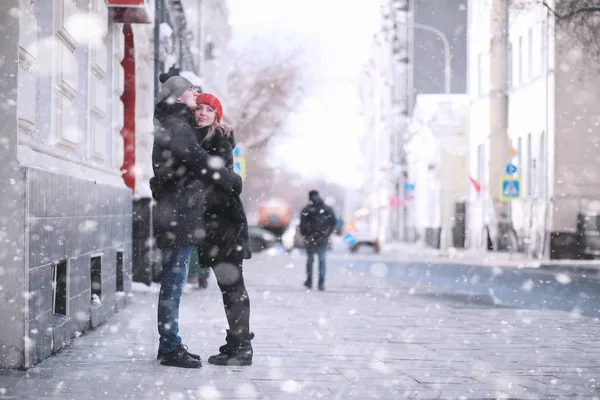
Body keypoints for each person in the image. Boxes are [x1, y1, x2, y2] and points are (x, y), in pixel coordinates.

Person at [151, 74, 243, 368]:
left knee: (174, 282)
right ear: (179, 95)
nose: (195, 95)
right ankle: (169, 348)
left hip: (178, 211)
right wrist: (232, 179)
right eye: (191, 90)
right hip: (177, 214)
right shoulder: (178, 124)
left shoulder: (176, 120)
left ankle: (171, 344)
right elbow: (197, 160)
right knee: (173, 283)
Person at [193, 92, 254, 366]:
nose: (203, 113)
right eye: (200, 109)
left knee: (232, 287)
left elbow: (214, 175)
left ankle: (241, 347)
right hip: (217, 223)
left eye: (209, 110)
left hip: (225, 223)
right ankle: (237, 343)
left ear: (217, 115)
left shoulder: (216, 138)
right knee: (229, 287)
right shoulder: (203, 137)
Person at [299, 190, 337, 291]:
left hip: (312, 239)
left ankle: (310, 281)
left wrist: (306, 235)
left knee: (311, 261)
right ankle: (320, 283)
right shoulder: (326, 209)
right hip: (321, 239)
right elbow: (333, 222)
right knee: (321, 261)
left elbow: (302, 225)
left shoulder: (307, 209)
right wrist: (327, 233)